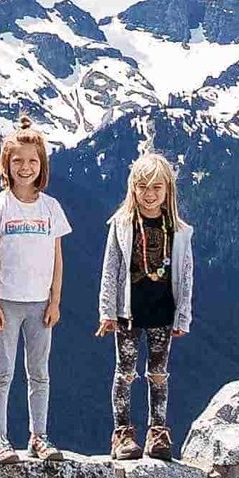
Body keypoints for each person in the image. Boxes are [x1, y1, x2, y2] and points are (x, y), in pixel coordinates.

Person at [0, 116, 69, 463]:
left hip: (40, 304)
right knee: (2, 371)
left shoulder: (51, 208)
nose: (25, 167)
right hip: (6, 302)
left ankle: (39, 436)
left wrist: (56, 301)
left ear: (42, 164)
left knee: (39, 373)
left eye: (32, 161)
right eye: (17, 160)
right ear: (6, 164)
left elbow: (58, 260)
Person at [98, 150, 195, 460]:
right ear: (133, 188)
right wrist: (106, 311)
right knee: (125, 372)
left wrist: (183, 315)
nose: (149, 194)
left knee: (158, 373)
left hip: (163, 311)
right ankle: (123, 434)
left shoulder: (178, 231)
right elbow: (110, 268)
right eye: (143, 187)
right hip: (128, 312)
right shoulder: (123, 224)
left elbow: (187, 274)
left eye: (156, 187)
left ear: (168, 190)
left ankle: (158, 432)